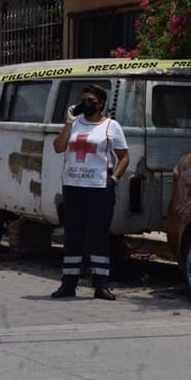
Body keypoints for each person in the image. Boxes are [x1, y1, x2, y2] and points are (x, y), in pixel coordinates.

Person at [51, 84, 129, 300]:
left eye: (90, 100)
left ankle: (101, 284)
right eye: (83, 99)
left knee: (98, 236)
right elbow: (58, 147)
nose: (85, 103)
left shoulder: (111, 127)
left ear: (101, 103)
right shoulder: (75, 124)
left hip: (99, 188)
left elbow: (124, 157)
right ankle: (68, 284)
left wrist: (114, 179)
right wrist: (68, 122)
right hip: (73, 186)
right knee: (73, 235)